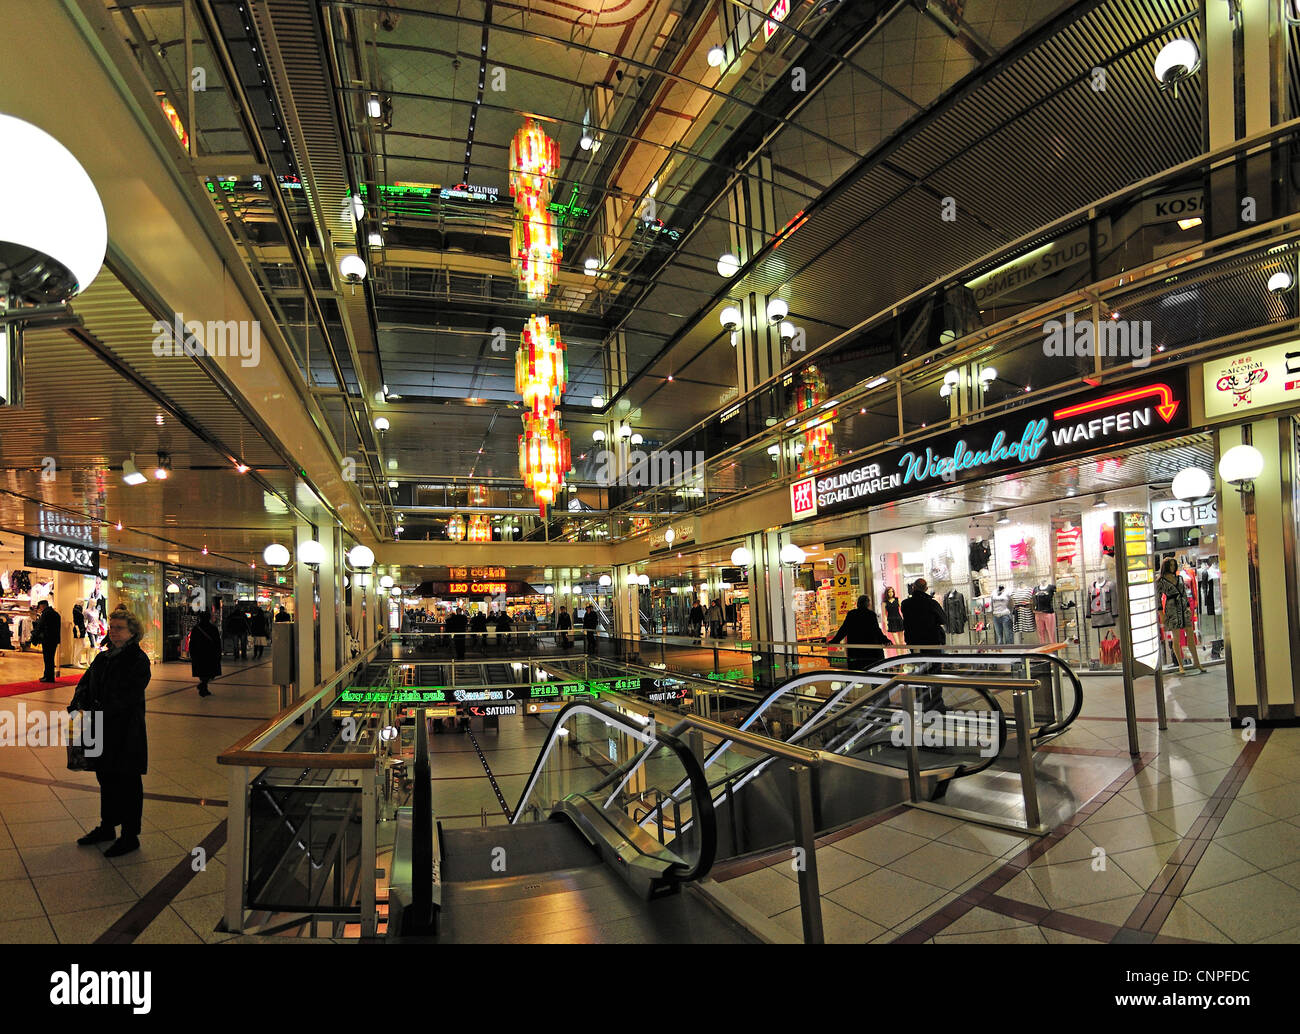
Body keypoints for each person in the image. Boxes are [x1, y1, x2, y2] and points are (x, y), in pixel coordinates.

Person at [68, 608, 150, 858]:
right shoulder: (104, 657)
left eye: (119, 628)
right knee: (106, 777)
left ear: (133, 632)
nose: (113, 632)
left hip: (125, 731)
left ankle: (129, 834)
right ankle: (107, 826)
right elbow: (86, 682)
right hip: (100, 726)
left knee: (127, 780)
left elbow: (128, 695)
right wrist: (78, 703)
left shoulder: (138, 660)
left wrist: (101, 707)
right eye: (112, 627)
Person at [1158, 557, 1206, 676]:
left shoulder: (1179, 578)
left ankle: (1197, 662)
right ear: (1166, 566)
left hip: (1183, 607)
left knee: (1190, 634)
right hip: (1171, 608)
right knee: (1176, 637)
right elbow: (1157, 599)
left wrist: (1189, 608)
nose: (1173, 567)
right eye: (1171, 565)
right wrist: (1161, 614)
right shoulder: (1161, 581)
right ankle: (1180, 664)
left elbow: (1184, 593)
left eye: (1174, 565)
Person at [830, 595, 892, 669]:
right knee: (871, 671)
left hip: (855, 650)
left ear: (858, 603)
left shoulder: (851, 614)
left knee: (857, 671)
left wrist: (835, 641)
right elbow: (876, 631)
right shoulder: (870, 614)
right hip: (870, 650)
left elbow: (844, 629)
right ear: (868, 604)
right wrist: (885, 640)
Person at [901, 577, 947, 652]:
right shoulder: (932, 603)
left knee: (918, 661)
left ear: (913, 587)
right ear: (926, 589)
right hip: (931, 640)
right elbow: (943, 620)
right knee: (934, 661)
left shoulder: (905, 603)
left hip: (913, 640)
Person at [188, 610, 222, 697]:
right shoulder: (213, 628)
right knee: (210, 671)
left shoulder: (196, 629)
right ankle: (203, 686)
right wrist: (218, 653)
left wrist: (192, 653)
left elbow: (192, 643)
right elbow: (217, 643)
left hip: (199, 654)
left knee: (202, 671)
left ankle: (203, 685)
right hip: (210, 653)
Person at [35, 599, 62, 683]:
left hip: (47, 639)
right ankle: (49, 676)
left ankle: (48, 676)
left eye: (40, 608)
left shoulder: (45, 614)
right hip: (54, 639)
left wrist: (36, 635)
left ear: (42, 606)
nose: (40, 609)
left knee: (47, 658)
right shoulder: (56, 614)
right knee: (51, 658)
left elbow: (40, 626)